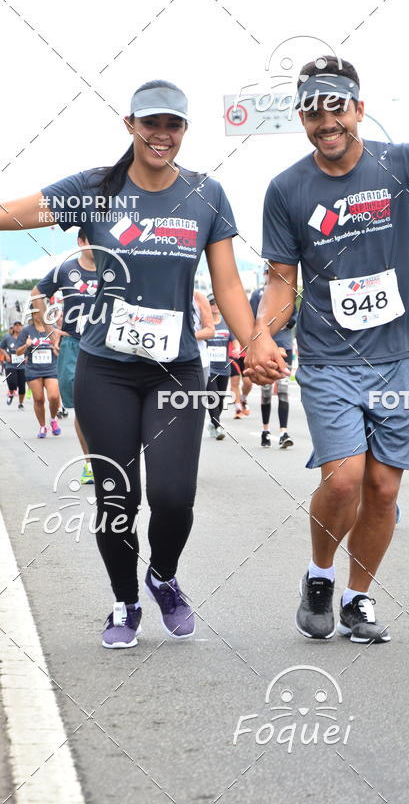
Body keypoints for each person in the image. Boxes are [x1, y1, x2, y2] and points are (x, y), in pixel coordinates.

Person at [0, 79, 282, 649]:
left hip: (176, 368)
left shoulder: (207, 194)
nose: (162, 134)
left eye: (173, 124)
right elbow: (10, 214)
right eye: (151, 123)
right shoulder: (94, 189)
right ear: (130, 125)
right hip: (106, 368)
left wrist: (255, 340)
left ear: (184, 131)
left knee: (174, 497)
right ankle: (125, 601)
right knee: (116, 494)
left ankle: (163, 576)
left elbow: (227, 282)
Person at [246, 57, 409, 643]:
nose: (327, 122)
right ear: (302, 119)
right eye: (314, 112)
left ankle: (357, 598)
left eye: (337, 108)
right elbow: (281, 279)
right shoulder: (287, 189)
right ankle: (320, 575)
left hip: (397, 359)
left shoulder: (403, 163)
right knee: (343, 481)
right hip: (328, 360)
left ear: (359, 109)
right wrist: (260, 334)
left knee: (384, 489)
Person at [32, 228, 98, 482]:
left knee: (108, 406)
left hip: (106, 345)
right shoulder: (66, 270)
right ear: (80, 242)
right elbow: (37, 293)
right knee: (82, 407)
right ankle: (90, 464)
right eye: (93, 240)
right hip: (74, 345)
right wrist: (50, 330)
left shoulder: (112, 270)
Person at [250, 266, 295, 448]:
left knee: (284, 390)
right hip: (267, 347)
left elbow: (294, 319)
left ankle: (284, 432)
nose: (271, 275)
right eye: (268, 272)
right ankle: (265, 430)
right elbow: (253, 319)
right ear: (264, 275)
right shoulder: (257, 295)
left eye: (273, 272)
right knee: (266, 391)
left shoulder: (288, 294)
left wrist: (284, 321)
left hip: (285, 346)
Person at [15, 314, 60, 437]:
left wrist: (55, 345)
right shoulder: (26, 330)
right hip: (33, 369)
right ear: (33, 314)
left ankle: (53, 419)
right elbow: (18, 351)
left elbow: (60, 348)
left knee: (54, 397)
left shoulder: (53, 328)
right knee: (39, 399)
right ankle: (42, 426)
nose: (38, 315)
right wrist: (27, 345)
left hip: (51, 368)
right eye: (36, 312)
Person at [205, 295, 234, 439]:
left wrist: (236, 349)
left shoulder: (227, 323)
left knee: (220, 398)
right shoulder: (204, 325)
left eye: (217, 303)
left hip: (224, 366)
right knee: (213, 396)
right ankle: (218, 426)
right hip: (209, 367)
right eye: (211, 303)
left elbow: (235, 342)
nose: (215, 306)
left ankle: (213, 422)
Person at [192, 288, 215, 386]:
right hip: (166, 361)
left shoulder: (198, 296)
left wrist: (187, 337)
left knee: (195, 400)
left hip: (198, 360)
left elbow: (210, 331)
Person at [1, 322, 26, 408]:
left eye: (20, 325)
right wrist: (6, 355)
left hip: (22, 365)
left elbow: (30, 348)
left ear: (22, 327)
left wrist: (27, 357)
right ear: (13, 327)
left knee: (22, 386)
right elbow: (1, 347)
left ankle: (21, 403)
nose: (18, 327)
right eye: (16, 325)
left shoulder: (25, 337)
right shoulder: (7, 337)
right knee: (12, 383)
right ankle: (11, 394)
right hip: (10, 365)